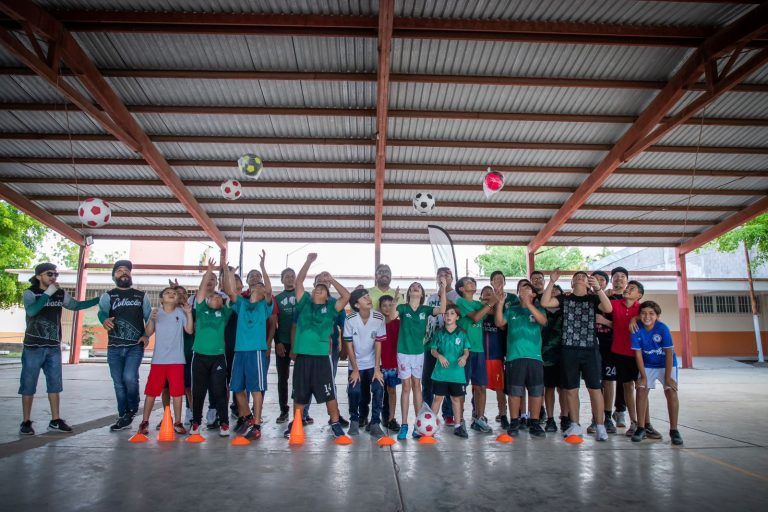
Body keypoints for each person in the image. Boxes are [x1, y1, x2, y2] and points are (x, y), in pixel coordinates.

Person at [19, 263, 100, 435]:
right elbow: (32, 311)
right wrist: (47, 294)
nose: (54, 277)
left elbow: (76, 306)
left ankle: (55, 420)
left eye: (56, 274)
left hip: (53, 347)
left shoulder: (60, 294)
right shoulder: (30, 293)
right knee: (28, 384)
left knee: (55, 385)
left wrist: (98, 299)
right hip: (33, 346)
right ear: (39, 276)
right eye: (50, 274)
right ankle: (26, 421)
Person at [540, 270, 612, 441]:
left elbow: (608, 308)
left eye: (584, 277)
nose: (580, 278)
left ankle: (600, 426)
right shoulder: (565, 299)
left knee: (595, 388)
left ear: (588, 283)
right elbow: (545, 302)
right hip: (569, 349)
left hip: (590, 349)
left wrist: (598, 289)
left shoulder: (594, 299)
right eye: (576, 277)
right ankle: (575, 424)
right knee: (571, 389)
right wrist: (551, 282)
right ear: (571, 283)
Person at [285, 253, 351, 440]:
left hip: (322, 357)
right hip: (303, 357)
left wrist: (331, 279)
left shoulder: (331, 308)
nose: (317, 290)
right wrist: (308, 262)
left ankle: (335, 422)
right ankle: (296, 423)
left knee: (329, 393)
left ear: (328, 295)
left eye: (322, 289)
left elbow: (346, 295)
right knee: (299, 394)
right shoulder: (304, 303)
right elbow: (298, 284)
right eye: (316, 288)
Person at [224, 251, 273, 440]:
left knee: (256, 388)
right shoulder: (242, 303)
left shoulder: (264, 306)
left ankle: (258, 424)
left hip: (256, 352)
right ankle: (247, 418)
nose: (258, 288)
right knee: (236, 387)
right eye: (255, 286)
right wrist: (229, 273)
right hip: (240, 352)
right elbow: (230, 291)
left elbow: (268, 290)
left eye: (261, 286)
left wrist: (263, 267)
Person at [98, 260, 152, 432]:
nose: (124, 273)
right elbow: (102, 313)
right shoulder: (108, 296)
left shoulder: (141, 296)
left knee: (129, 377)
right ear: (114, 275)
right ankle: (124, 414)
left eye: (127, 270)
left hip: (134, 346)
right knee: (118, 382)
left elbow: (149, 318)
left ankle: (133, 406)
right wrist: (104, 320)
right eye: (120, 270)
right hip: (114, 346)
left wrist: (146, 335)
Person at [390, 278, 447, 440]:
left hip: (418, 353)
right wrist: (395, 299)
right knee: (406, 386)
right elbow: (392, 315)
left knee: (417, 385)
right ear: (409, 293)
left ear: (422, 293)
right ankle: (404, 425)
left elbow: (442, 309)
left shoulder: (425, 309)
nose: (415, 288)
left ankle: (417, 424)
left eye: (418, 287)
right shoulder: (403, 307)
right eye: (413, 286)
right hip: (403, 352)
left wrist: (442, 290)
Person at [136, 287, 193, 436]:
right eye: (167, 293)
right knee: (151, 392)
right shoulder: (156, 313)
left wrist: (188, 314)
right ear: (161, 299)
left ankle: (178, 422)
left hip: (177, 360)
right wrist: (151, 319)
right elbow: (148, 332)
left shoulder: (181, 313)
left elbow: (189, 330)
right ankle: (145, 422)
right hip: (159, 361)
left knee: (177, 393)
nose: (172, 294)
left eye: (174, 293)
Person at [495, 280, 548, 438]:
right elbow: (499, 322)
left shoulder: (539, 309)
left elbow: (543, 322)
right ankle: (514, 422)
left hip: (535, 357)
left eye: (526, 289)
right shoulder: (512, 310)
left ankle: (535, 422)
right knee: (514, 392)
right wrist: (500, 303)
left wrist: (529, 304)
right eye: (520, 290)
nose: (523, 291)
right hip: (514, 357)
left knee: (536, 391)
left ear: (532, 294)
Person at [189, 259, 233, 437]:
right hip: (199, 356)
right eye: (212, 296)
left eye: (218, 297)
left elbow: (230, 292)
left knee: (218, 390)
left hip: (217, 357)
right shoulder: (200, 309)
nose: (215, 298)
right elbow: (200, 291)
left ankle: (224, 423)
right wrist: (208, 270)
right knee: (198, 391)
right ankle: (196, 423)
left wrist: (227, 272)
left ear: (222, 302)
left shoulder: (225, 313)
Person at [632, 301, 683, 445]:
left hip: (666, 364)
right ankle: (641, 428)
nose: (647, 316)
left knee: (671, 392)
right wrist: (643, 376)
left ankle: (674, 430)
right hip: (647, 364)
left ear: (657, 316)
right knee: (641, 390)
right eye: (643, 313)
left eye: (651, 313)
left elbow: (668, 353)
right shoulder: (636, 329)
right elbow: (638, 355)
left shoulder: (663, 329)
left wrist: (667, 377)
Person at [455, 277, 496, 434]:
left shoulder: (479, 304)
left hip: (479, 350)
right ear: (461, 289)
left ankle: (480, 418)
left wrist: (494, 295)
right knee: (461, 387)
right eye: (468, 283)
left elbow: (490, 311)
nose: (472, 284)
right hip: (464, 351)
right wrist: (490, 302)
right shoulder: (461, 302)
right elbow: (477, 317)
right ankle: (460, 420)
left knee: (481, 386)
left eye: (473, 282)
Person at [344, 289, 387, 438]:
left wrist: (377, 369)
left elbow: (378, 344)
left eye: (368, 296)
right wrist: (355, 369)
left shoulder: (378, 318)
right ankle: (354, 421)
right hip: (356, 364)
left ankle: (375, 423)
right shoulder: (350, 320)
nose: (368, 299)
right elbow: (349, 345)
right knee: (354, 391)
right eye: (364, 298)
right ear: (356, 304)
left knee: (378, 388)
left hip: (372, 364)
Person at [422, 267, 459, 424]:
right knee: (428, 378)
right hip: (431, 343)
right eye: (440, 275)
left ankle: (448, 413)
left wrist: (444, 293)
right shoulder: (430, 298)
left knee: (448, 378)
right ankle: (426, 411)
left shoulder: (457, 296)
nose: (443, 277)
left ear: (451, 278)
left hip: (449, 345)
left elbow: (457, 312)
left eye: (446, 275)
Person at [429, 304, 471, 438]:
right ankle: (431, 425)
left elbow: (466, 350)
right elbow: (433, 350)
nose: (448, 316)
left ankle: (458, 426)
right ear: (443, 316)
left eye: (452, 314)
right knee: (438, 399)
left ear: (457, 317)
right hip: (441, 373)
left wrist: (464, 357)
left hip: (456, 373)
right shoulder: (439, 333)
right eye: (446, 314)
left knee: (456, 399)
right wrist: (439, 356)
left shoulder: (462, 333)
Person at [590, 270, 618, 435]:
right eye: (595, 279)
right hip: (590, 346)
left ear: (605, 284)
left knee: (608, 381)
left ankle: (607, 416)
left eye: (601, 280)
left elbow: (621, 326)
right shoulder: (585, 298)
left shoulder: (612, 301)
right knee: (594, 383)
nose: (598, 282)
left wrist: (604, 321)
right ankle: (596, 417)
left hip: (608, 346)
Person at [480, 286, 507, 429]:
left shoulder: (500, 314)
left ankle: (503, 414)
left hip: (496, 356)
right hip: (481, 357)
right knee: (479, 388)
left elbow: (502, 326)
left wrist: (495, 306)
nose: (488, 296)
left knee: (499, 389)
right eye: (485, 295)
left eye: (491, 294)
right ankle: (479, 414)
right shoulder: (479, 313)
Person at [541, 284, 567, 433]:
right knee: (548, 388)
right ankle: (550, 419)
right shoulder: (541, 311)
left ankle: (565, 417)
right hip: (546, 356)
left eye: (558, 292)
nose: (554, 294)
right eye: (551, 291)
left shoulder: (566, 310)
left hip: (565, 355)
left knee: (563, 389)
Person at [274, 267, 296, 424]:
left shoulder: (303, 296)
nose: (290, 278)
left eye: (292, 276)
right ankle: (284, 410)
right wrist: (277, 342)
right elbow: (273, 323)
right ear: (282, 280)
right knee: (283, 378)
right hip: (283, 343)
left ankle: (302, 412)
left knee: (301, 379)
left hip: (300, 344)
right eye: (287, 276)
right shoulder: (277, 298)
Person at [609, 266, 630, 427]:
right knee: (607, 380)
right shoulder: (606, 297)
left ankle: (620, 410)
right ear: (612, 280)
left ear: (627, 281)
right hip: (607, 343)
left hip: (626, 345)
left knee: (625, 381)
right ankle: (605, 415)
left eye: (623, 276)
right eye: (616, 276)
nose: (619, 278)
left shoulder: (632, 299)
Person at [378, 295, 401, 432]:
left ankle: (391, 418)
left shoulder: (398, 324)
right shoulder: (376, 323)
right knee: (377, 392)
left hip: (392, 363)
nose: (387, 308)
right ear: (380, 308)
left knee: (391, 391)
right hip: (378, 363)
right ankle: (375, 418)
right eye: (384, 305)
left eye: (390, 305)